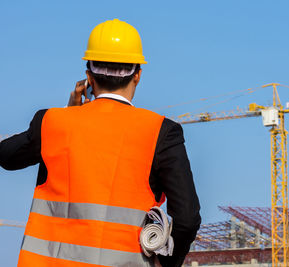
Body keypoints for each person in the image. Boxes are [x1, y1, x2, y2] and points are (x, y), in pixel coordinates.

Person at [0, 18, 201, 267]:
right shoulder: (161, 132)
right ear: (137, 75)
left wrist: (68, 112)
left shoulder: (51, 122)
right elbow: (187, 217)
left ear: (88, 78)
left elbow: (6, 156)